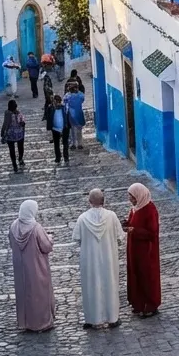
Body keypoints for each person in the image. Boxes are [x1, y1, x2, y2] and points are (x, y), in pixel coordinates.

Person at [72, 189, 122, 329]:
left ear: (89, 202)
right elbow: (120, 236)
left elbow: (77, 238)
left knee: (91, 286)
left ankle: (94, 319)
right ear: (103, 201)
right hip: (108, 258)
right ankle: (112, 318)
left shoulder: (82, 219)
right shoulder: (111, 216)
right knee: (110, 284)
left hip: (90, 260)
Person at [9, 199, 56, 332]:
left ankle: (26, 322)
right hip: (37, 267)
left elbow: (11, 243)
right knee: (39, 293)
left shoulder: (13, 226)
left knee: (24, 293)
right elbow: (46, 246)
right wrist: (51, 238)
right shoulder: (36, 228)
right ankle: (42, 323)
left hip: (20, 268)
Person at [124, 183, 161, 317]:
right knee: (136, 274)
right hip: (134, 249)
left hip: (146, 251)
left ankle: (150, 305)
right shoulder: (135, 209)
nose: (130, 199)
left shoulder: (150, 210)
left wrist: (135, 231)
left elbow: (152, 233)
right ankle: (138, 303)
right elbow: (132, 223)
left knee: (147, 276)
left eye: (132, 196)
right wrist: (126, 225)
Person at [1, 100, 27, 172]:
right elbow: (5, 123)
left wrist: (22, 123)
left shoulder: (17, 113)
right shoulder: (9, 113)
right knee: (15, 149)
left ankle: (18, 160)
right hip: (14, 135)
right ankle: (16, 162)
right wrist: (3, 132)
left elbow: (22, 120)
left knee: (17, 148)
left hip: (16, 134)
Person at [47, 94, 70, 165]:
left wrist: (68, 125)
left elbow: (68, 116)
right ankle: (58, 157)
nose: (57, 104)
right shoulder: (50, 108)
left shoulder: (64, 108)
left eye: (58, 102)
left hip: (64, 128)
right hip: (55, 129)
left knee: (65, 143)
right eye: (55, 102)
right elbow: (48, 117)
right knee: (56, 144)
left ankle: (66, 157)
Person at [64, 85, 86, 150]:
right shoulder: (80, 95)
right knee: (79, 129)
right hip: (78, 113)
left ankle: (73, 144)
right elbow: (82, 99)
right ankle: (80, 143)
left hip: (71, 114)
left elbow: (64, 101)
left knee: (73, 130)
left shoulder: (68, 96)